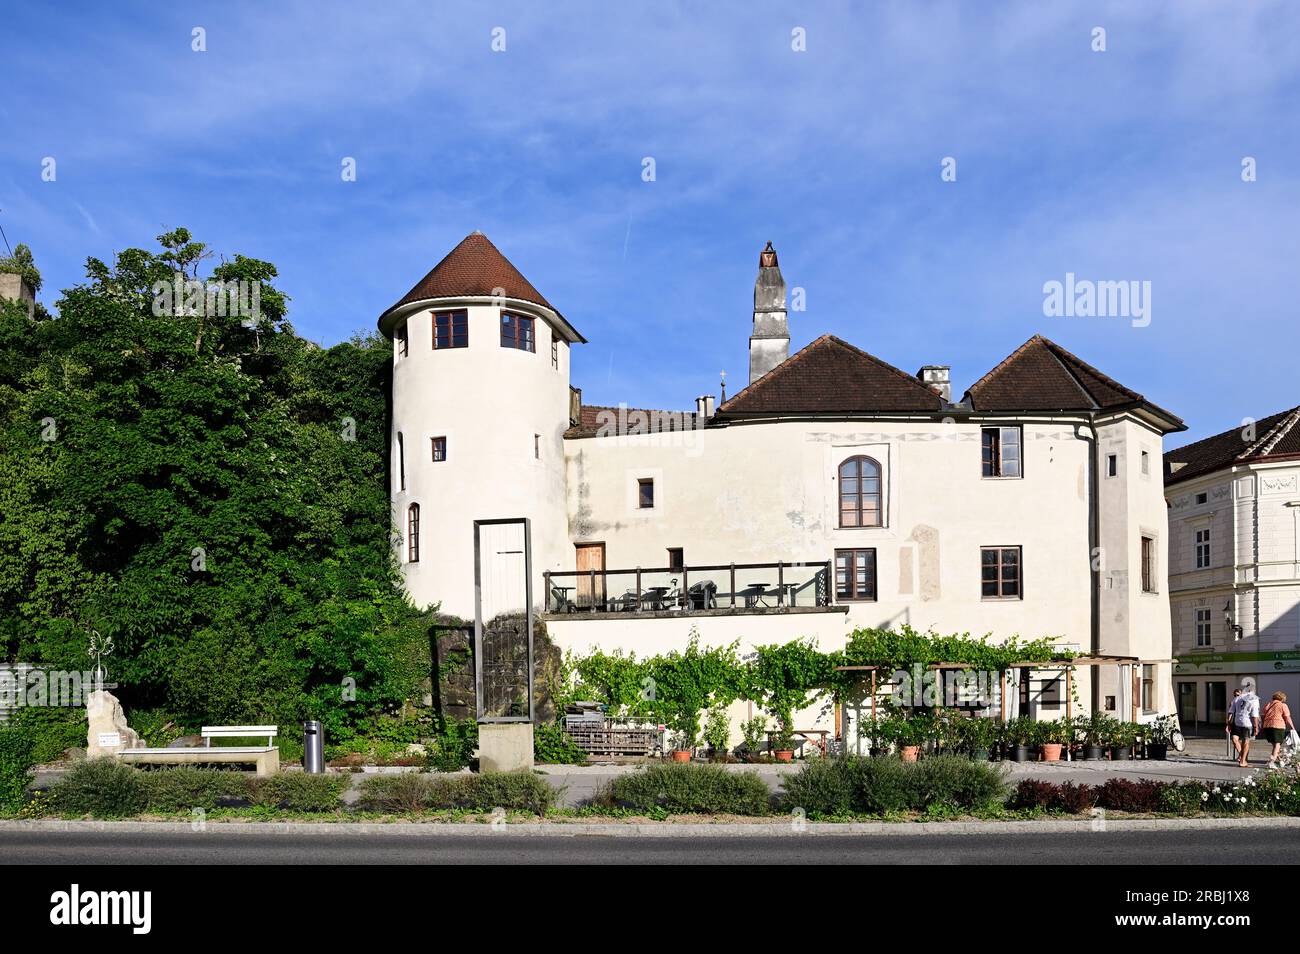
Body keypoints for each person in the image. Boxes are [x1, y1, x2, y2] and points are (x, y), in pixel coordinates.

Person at [1227, 686, 1260, 767]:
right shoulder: (1254, 699)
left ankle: (1243, 759)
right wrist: (1256, 727)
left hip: (1237, 722)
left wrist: (1228, 724)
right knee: (1245, 742)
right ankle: (1243, 761)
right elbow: (1254, 715)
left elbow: (1230, 711)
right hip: (1247, 723)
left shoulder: (1237, 699)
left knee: (1239, 740)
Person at [1261, 691, 1295, 768]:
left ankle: (1280, 760)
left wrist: (1263, 726)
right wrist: (1292, 727)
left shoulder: (1268, 704)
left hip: (1267, 726)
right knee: (1277, 745)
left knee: (1275, 745)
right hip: (1278, 726)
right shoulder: (1283, 705)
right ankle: (1271, 762)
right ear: (1282, 698)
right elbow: (1287, 717)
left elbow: (1263, 716)